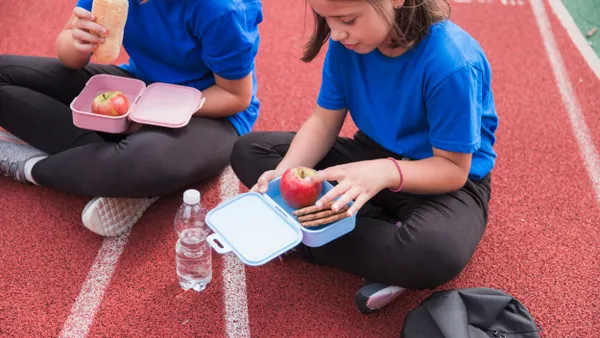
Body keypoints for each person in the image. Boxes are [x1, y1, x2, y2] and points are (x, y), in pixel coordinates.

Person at [230, 0, 498, 314]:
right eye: (327, 20)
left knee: (432, 253)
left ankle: (309, 236)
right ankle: (369, 242)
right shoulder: (348, 43)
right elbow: (323, 121)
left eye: (347, 19)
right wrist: (287, 171)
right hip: (370, 153)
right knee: (250, 152)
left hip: (442, 180)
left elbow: (453, 170)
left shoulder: (451, 62)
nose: (337, 33)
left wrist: (383, 172)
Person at [0, 0, 263, 236]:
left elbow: (234, 96)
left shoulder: (220, 8)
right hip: (138, 85)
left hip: (211, 113)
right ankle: (114, 167)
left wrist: (153, 112)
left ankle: (30, 165)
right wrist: (77, 43)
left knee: (141, 162)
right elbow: (68, 55)